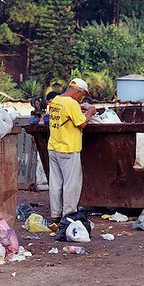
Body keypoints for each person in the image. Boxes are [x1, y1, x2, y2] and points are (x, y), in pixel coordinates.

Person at [47, 78, 97, 223]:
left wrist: (80, 109)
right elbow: (82, 124)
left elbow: (65, 115)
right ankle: (68, 214)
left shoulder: (56, 100)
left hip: (54, 146)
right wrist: (90, 111)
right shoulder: (72, 103)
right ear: (78, 91)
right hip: (69, 148)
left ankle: (55, 214)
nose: (81, 98)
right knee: (71, 183)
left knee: (55, 182)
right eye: (82, 95)